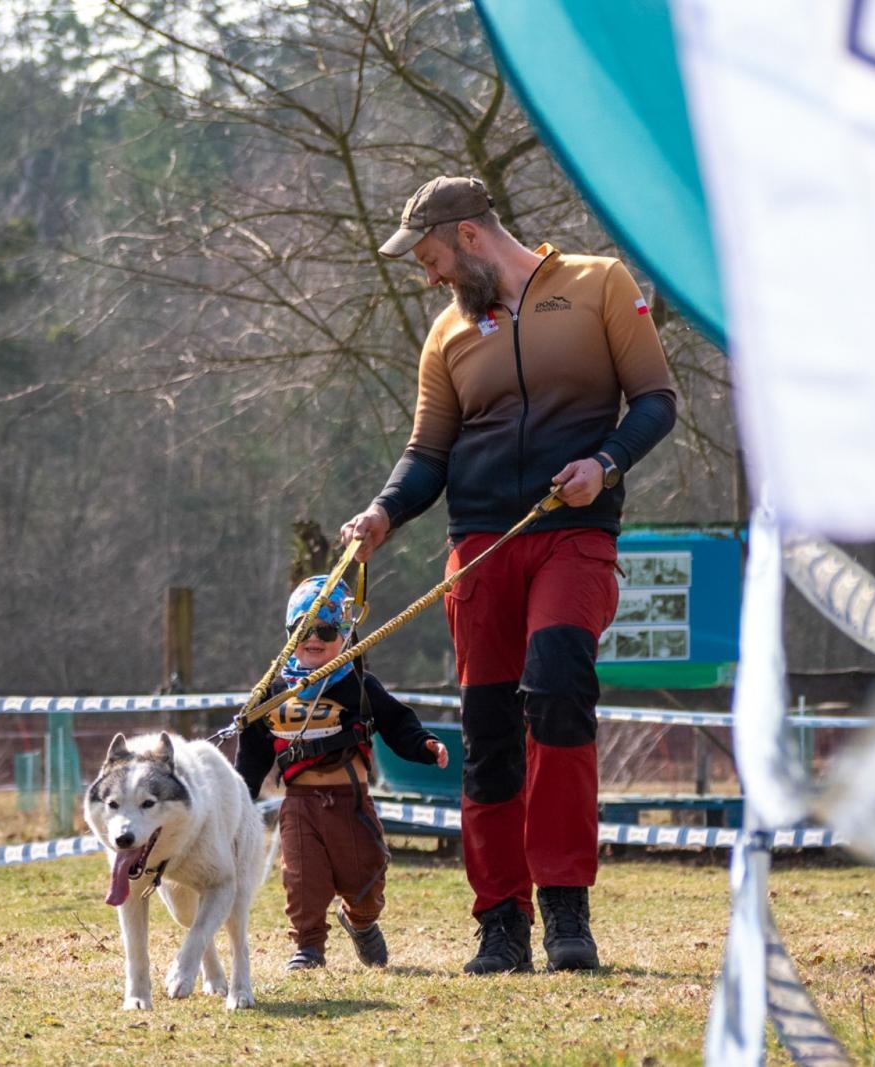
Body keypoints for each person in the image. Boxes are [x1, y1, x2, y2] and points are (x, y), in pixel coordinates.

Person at [339, 175, 678, 975]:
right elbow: (427, 455)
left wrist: (607, 461)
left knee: (558, 691)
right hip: (481, 545)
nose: (427, 277)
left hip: (575, 531)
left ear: (466, 236)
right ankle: (500, 921)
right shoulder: (447, 334)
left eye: (428, 258)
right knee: (489, 731)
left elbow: (658, 400)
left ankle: (567, 907)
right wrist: (383, 514)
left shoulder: (599, 284)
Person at [236, 575, 449, 971]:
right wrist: (240, 798)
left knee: (365, 876)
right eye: (303, 630)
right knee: (302, 880)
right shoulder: (272, 692)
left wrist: (425, 745)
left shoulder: (360, 685)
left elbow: (399, 724)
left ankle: (361, 921)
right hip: (298, 805)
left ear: (346, 633)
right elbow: (251, 754)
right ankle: (309, 947)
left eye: (326, 630)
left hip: (351, 804)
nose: (313, 638)